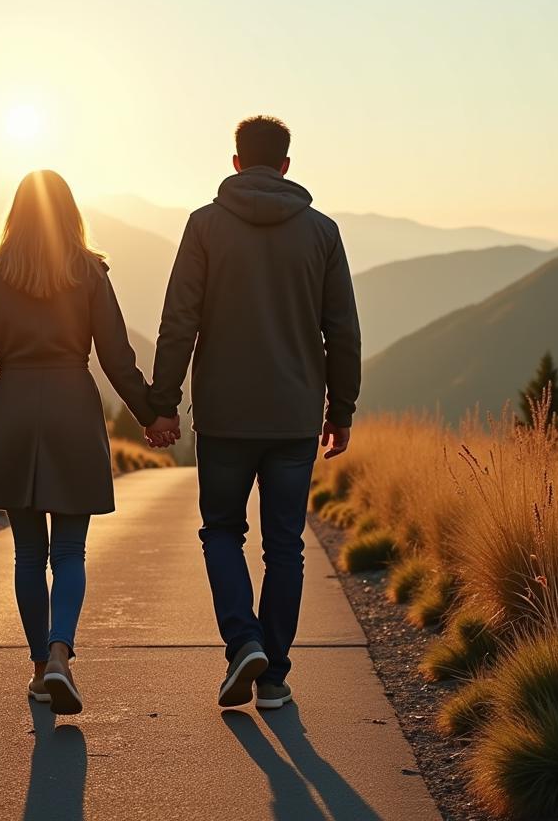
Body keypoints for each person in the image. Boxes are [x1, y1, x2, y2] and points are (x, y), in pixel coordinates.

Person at [145, 116, 361, 710]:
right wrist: (340, 410)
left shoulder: (205, 226)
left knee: (221, 531)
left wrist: (163, 404)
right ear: (286, 165)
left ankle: (243, 640)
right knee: (285, 544)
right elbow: (341, 330)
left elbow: (178, 321)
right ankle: (273, 677)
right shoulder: (322, 232)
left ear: (236, 162)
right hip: (294, 417)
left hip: (224, 415)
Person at [0, 169, 178, 715]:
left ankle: (39, 668)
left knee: (29, 552)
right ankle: (60, 654)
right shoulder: (90, 273)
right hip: (73, 409)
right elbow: (117, 358)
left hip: (10, 413)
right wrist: (152, 415)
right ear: (70, 214)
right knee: (70, 550)